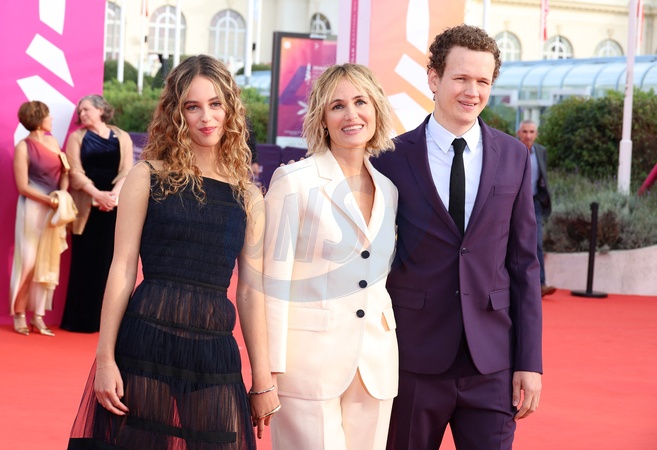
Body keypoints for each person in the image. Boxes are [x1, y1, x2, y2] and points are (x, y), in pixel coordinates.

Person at [67, 55, 278, 449]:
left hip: (214, 351)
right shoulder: (147, 176)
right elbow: (122, 267)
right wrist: (105, 359)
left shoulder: (249, 196)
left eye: (215, 103)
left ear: (231, 108)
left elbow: (251, 291)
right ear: (176, 113)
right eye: (192, 106)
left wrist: (262, 380)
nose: (206, 117)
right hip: (146, 341)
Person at [371, 25, 543, 449]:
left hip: (492, 363)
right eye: (461, 78)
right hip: (414, 357)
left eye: (483, 81)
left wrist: (530, 362)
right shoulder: (390, 158)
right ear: (434, 78)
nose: (472, 91)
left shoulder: (514, 157)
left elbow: (524, 265)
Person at [263, 63, 399, 450]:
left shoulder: (389, 190)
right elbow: (270, 284)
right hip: (307, 368)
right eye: (337, 106)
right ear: (322, 118)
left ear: (376, 109)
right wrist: (266, 373)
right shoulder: (294, 181)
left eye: (360, 102)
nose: (351, 114)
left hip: (375, 365)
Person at [60, 94, 133, 332]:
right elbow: (75, 173)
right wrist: (97, 195)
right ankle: (80, 321)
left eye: (86, 109)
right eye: (80, 111)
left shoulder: (122, 136)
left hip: (113, 208)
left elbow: (127, 170)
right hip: (86, 209)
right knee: (84, 265)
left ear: (101, 110)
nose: (82, 114)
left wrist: (112, 196)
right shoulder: (77, 137)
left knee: (110, 265)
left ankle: (109, 323)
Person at [9, 100, 70, 336]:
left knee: (48, 261)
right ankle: (19, 313)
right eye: (47, 115)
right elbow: (23, 187)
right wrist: (49, 200)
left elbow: (65, 172)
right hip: (33, 209)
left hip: (54, 208)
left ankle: (39, 315)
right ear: (37, 119)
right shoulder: (23, 147)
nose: (51, 118)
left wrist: (61, 194)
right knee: (28, 261)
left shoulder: (54, 142)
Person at [517, 119, 556, 297]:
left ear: (536, 134)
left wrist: (541, 198)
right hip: (514, 203)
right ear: (519, 133)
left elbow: (543, 177)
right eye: (525, 131)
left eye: (531, 132)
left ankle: (540, 284)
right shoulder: (511, 150)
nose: (528, 135)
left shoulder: (541, 151)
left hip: (534, 203)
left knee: (537, 243)